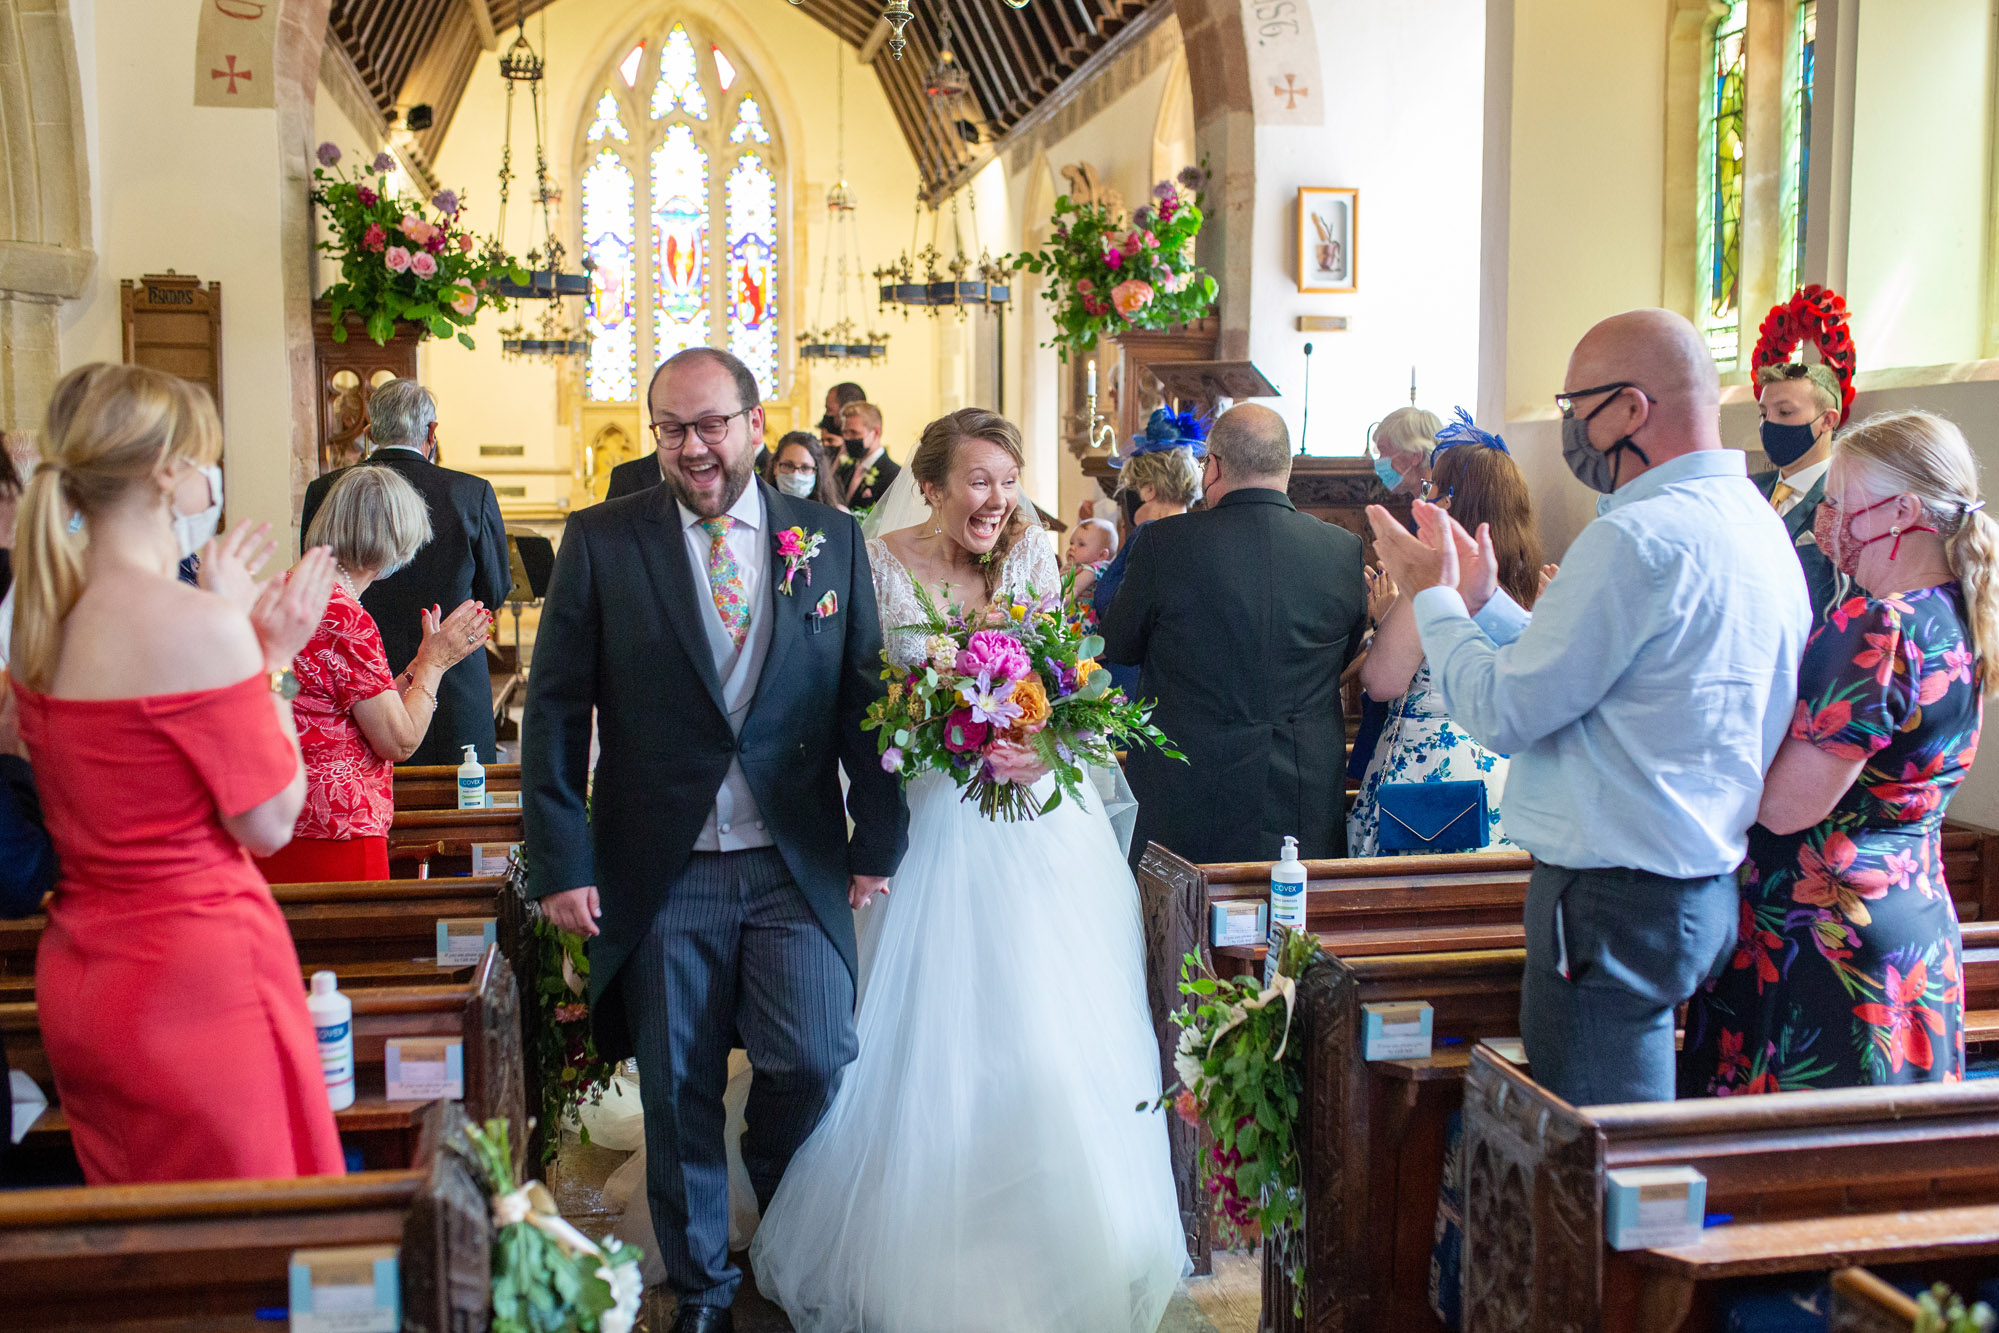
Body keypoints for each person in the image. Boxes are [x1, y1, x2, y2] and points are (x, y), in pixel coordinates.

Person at [749, 409, 1185, 1333]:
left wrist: (1043, 746)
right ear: (936, 485)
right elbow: (850, 693)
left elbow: (1072, 689)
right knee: (919, 1026)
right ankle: (906, 1238)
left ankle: (1064, 1236)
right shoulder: (877, 561)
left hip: (1030, 828)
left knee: (1044, 1021)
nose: (995, 499)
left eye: (1006, 479)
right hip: (919, 816)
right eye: (977, 480)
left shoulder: (1032, 559)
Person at [523, 347, 907, 1333]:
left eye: (711, 425)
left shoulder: (826, 538)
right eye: (672, 428)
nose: (692, 447)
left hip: (792, 859)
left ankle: (781, 1211)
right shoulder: (604, 542)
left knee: (818, 1052)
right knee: (678, 1085)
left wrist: (879, 836)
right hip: (666, 863)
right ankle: (702, 1289)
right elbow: (559, 710)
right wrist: (563, 860)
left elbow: (867, 695)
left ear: (751, 421)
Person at [1366, 308, 1811, 1106]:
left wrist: (1429, 600)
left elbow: (1503, 713)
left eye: (1576, 407)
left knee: (1594, 1158)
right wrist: (1482, 602)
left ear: (1631, 409)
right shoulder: (1755, 523)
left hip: (1610, 899)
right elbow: (1595, 670)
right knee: (1634, 1149)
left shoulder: (1637, 536)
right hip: (1699, 883)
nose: (1569, 426)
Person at [10, 362, 344, 1182]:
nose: (208, 477)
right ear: (166, 472)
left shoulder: (40, 621)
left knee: (151, 1251)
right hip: (194, 969)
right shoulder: (198, 628)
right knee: (252, 1243)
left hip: (85, 966)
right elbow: (269, 820)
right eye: (199, 459)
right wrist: (268, 660)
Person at [1682, 410, 1995, 1094]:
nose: (1828, 526)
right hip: (1912, 917)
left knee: (1789, 1171)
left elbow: (1789, 806)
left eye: (1842, 506)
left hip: (1822, 936)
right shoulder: (1954, 615)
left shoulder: (1877, 623)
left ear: (1900, 513)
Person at [1102, 404, 1369, 865]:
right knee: (1295, 930)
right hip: (1300, 791)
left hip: (1186, 787)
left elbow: (1119, 645)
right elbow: (1343, 655)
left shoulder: (1164, 543)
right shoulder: (1341, 550)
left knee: (1179, 929)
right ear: (1287, 467)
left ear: (1215, 466)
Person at [256, 466, 494, 884]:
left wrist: (414, 669)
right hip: (336, 832)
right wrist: (435, 665)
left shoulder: (282, 588)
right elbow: (399, 740)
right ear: (392, 542)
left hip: (276, 816)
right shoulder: (345, 616)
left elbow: (310, 694)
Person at [1348, 415, 1539, 856]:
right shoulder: (1520, 569)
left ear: (1454, 502)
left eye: (1432, 488)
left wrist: (1386, 618)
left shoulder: (1437, 573)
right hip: (1499, 772)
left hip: (1431, 776)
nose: (1425, 498)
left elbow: (1382, 681)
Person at [301, 378, 509, 764]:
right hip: (451, 682)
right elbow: (492, 593)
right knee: (460, 806)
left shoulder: (324, 491)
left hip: (351, 686)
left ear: (368, 432)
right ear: (432, 432)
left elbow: (319, 589)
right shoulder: (471, 492)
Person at [1092, 440, 1202, 699]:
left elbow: (1124, 618)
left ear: (1150, 489)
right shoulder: (1197, 539)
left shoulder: (1148, 535)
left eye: (1135, 487)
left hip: (1127, 679)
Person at [1753, 361, 1844, 622]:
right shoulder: (1747, 490)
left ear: (1827, 420)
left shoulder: (1846, 502)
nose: (1769, 424)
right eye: (1763, 414)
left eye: (1784, 412)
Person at [836, 402, 901, 511]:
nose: (847, 438)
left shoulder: (894, 474)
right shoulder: (846, 469)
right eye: (845, 433)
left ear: (876, 432)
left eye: (854, 432)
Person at [1369, 406, 1444, 498]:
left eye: (1383, 450)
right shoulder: (1426, 496)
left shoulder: (1439, 505)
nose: (1380, 460)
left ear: (1415, 455)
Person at [765, 430, 841, 508]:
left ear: (817, 472)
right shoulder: (760, 509)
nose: (795, 474)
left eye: (805, 467)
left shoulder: (834, 514)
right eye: (788, 465)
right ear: (775, 467)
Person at [1063, 515, 1117, 614]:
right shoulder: (1075, 567)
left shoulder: (1090, 569)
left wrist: (1051, 604)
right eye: (1071, 543)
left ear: (1102, 555)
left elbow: (1074, 589)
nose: (1072, 548)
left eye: (1081, 544)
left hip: (1079, 626)